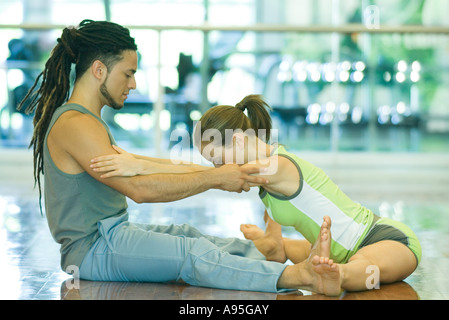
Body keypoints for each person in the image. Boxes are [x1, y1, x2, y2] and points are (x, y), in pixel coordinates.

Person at [18, 19, 336, 295]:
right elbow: (140, 189)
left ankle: (266, 254)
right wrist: (215, 178)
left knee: (188, 234)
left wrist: (212, 173)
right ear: (99, 70)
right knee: (191, 253)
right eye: (128, 74)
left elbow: (141, 167)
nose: (133, 83)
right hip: (92, 250)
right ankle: (297, 275)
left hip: (111, 236)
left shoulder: (86, 121)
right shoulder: (75, 125)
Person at [92, 94, 422, 295]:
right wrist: (273, 242)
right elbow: (197, 170)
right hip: (337, 250)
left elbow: (197, 174)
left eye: (219, 160)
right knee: (309, 254)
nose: (218, 169)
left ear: (237, 141)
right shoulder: (267, 176)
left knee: (353, 273)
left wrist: (139, 164)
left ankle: (334, 276)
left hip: (385, 241)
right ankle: (314, 264)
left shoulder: (273, 166)